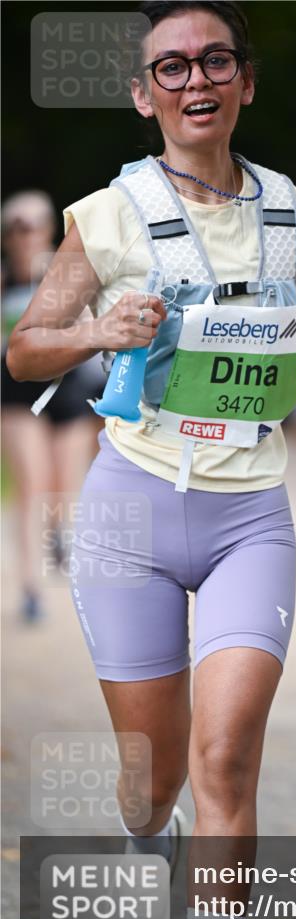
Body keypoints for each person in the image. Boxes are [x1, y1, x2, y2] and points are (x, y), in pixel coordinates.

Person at [5, 3, 296, 919]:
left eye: (213, 60)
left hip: (247, 513)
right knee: (154, 782)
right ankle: (149, 832)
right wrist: (98, 331)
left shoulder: (287, 205)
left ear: (244, 82)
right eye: (170, 68)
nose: (194, 79)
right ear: (144, 95)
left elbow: (293, 318)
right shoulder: (106, 214)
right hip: (130, 511)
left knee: (227, 759)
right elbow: (24, 348)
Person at [1, 190, 104, 623]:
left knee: (65, 486)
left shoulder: (67, 275)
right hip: (17, 393)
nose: (28, 234)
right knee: (33, 484)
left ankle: (58, 534)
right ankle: (29, 589)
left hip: (70, 389)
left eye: (36, 224)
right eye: (17, 227)